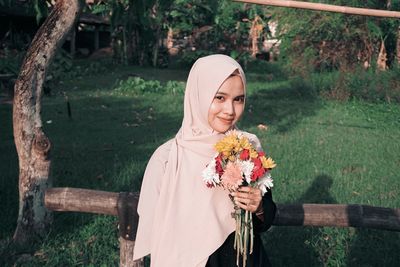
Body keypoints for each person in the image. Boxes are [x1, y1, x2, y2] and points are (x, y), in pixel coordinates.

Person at [133, 54, 276, 267]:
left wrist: (260, 207)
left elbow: (265, 220)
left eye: (238, 99)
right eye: (219, 97)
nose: (229, 110)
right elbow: (157, 233)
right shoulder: (167, 159)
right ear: (198, 95)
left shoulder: (247, 146)